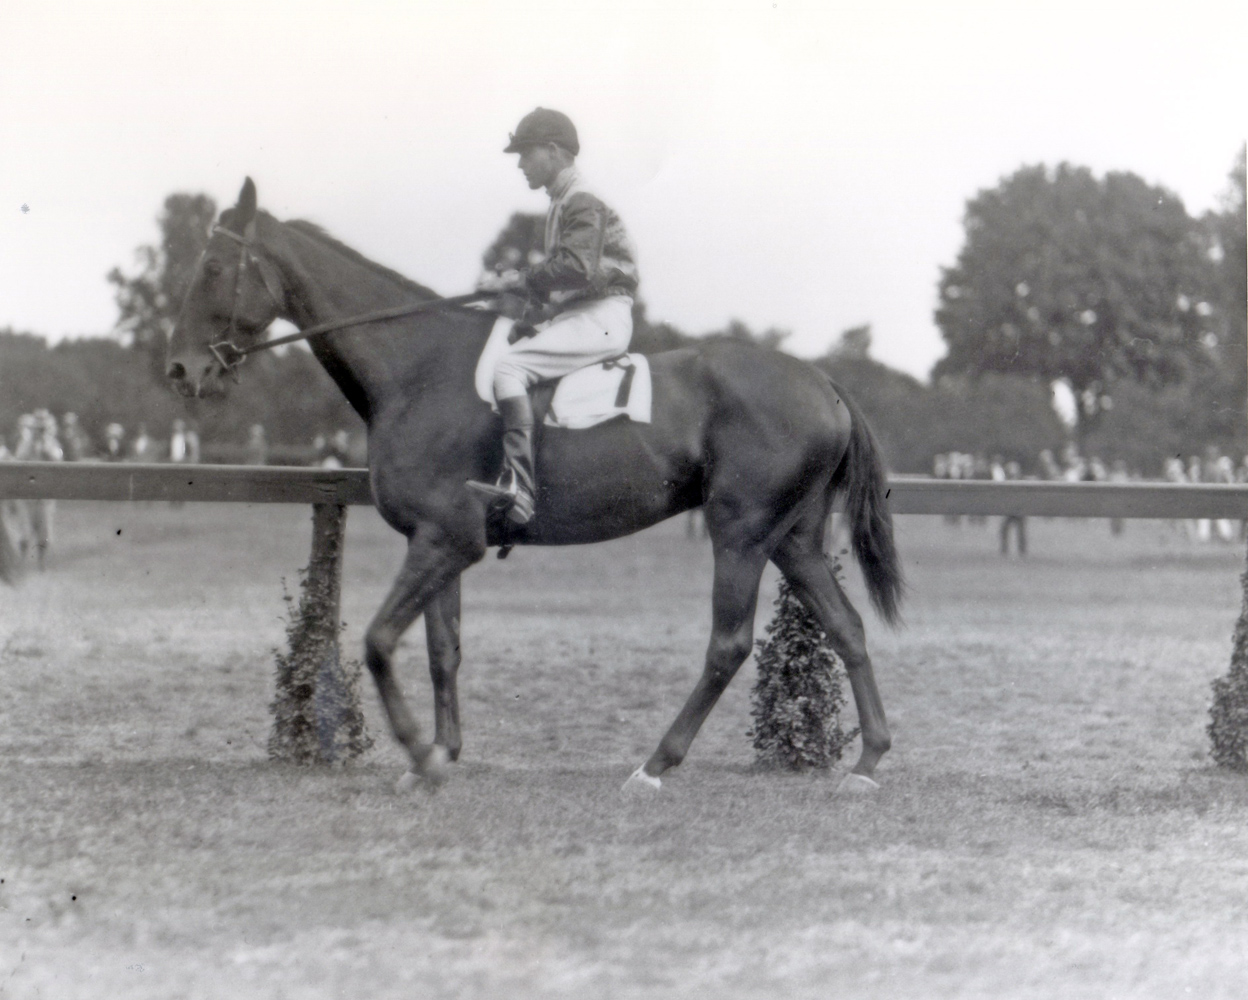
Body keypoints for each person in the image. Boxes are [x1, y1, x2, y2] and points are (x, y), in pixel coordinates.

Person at [467, 107, 640, 525]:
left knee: (508, 369)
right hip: (582, 313)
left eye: (526, 154)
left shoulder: (581, 199)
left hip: (601, 316)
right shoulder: (562, 201)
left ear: (552, 150)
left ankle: (520, 488)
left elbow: (577, 269)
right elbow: (564, 282)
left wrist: (514, 279)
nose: (521, 165)